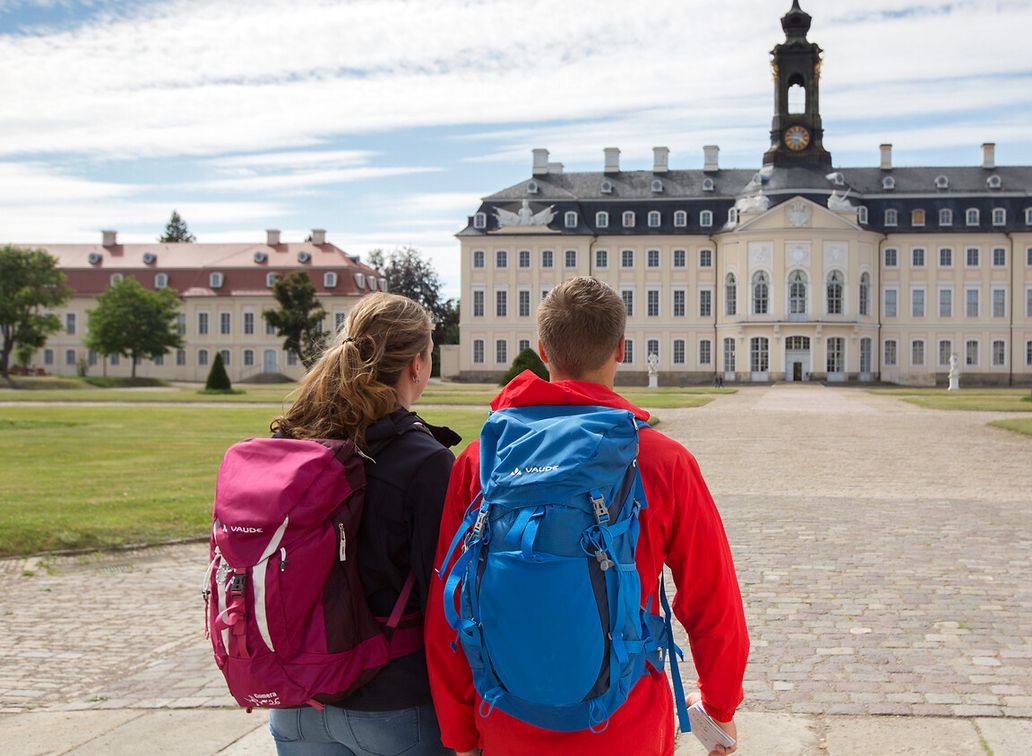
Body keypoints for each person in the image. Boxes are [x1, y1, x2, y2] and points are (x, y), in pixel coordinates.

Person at [427, 276, 749, 756]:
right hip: (625, 722)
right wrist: (720, 709)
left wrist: (459, 734)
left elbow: (448, 607)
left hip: (507, 719)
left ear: (541, 349)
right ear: (621, 348)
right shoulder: (662, 460)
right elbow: (712, 599)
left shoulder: (482, 460)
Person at [267, 292, 460, 756]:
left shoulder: (295, 442)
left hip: (296, 700)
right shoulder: (425, 461)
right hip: (390, 702)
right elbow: (447, 603)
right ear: (417, 364)